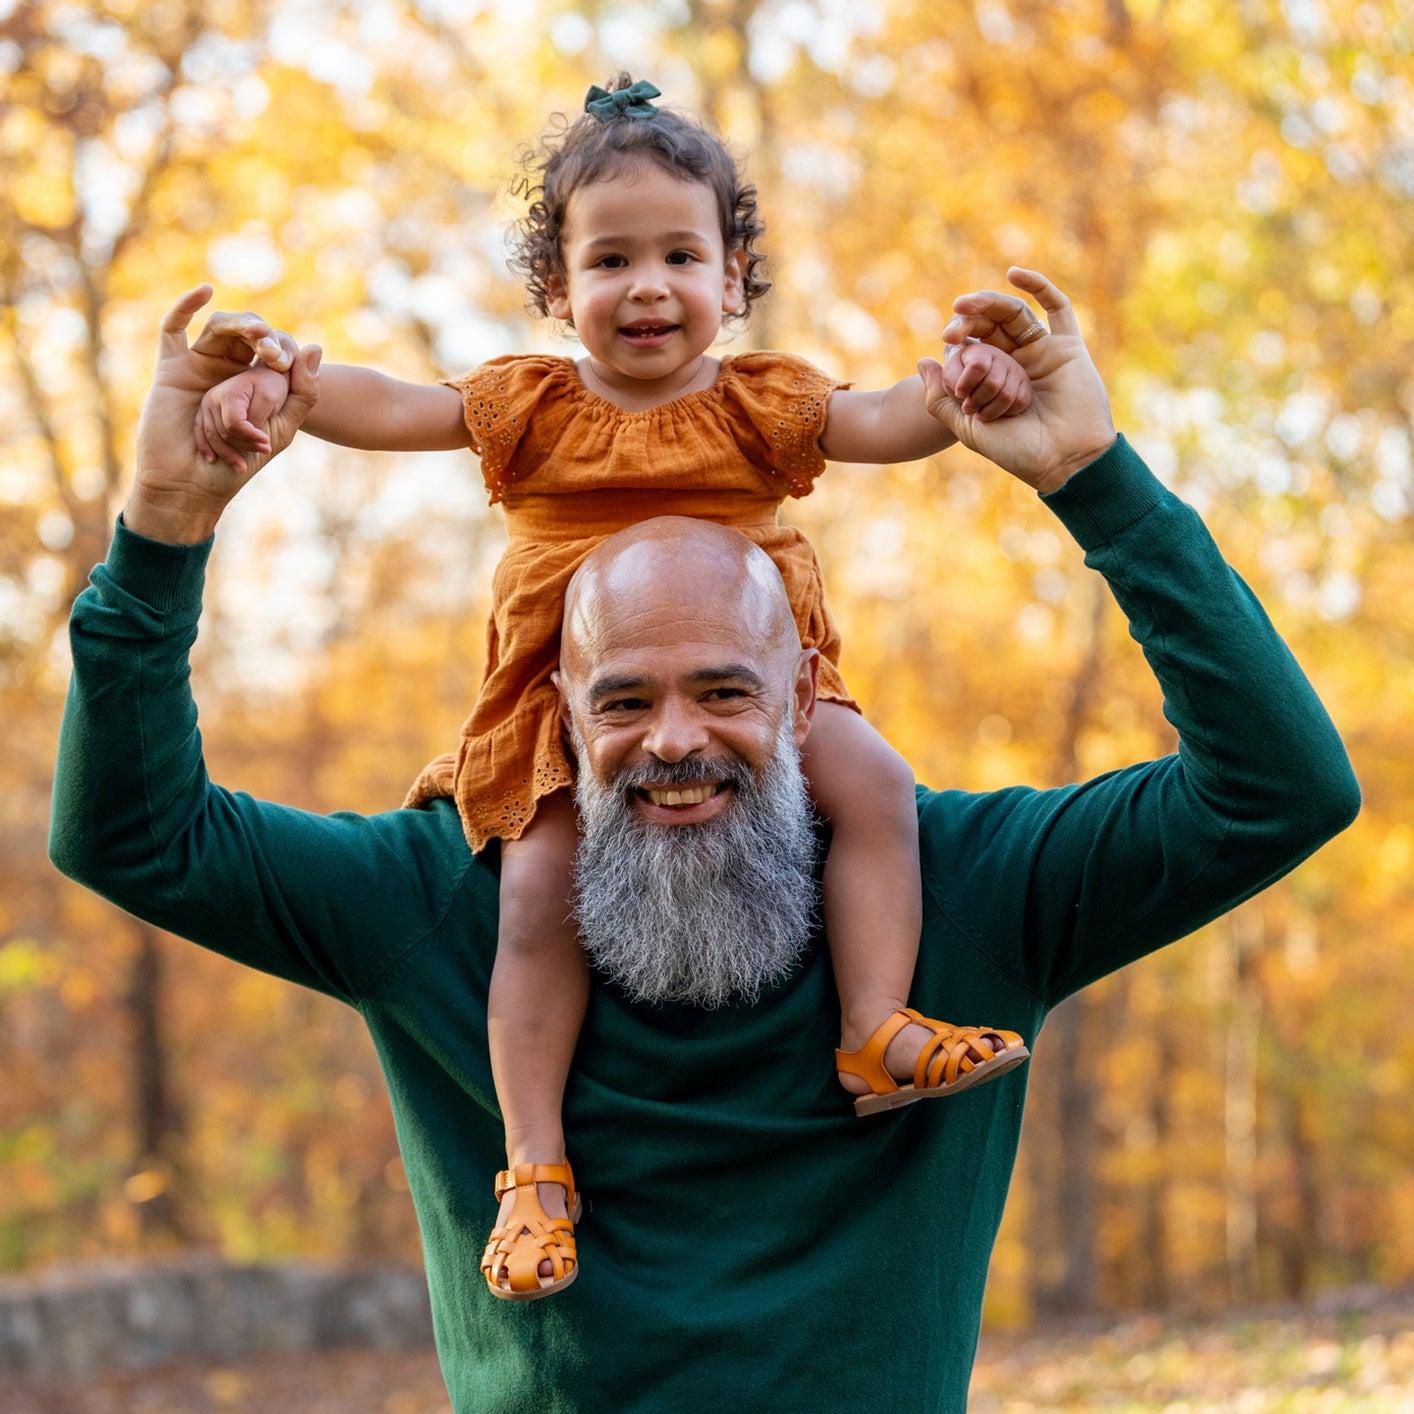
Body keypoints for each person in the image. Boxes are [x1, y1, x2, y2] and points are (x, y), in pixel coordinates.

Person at [51, 265, 1359, 1412]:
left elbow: (1277, 788)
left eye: (723, 690)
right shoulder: (444, 900)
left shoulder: (963, 893)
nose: (672, 738)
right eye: (624, 698)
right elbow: (132, 835)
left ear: (802, 695)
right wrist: (165, 532)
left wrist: (1096, 487)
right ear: (560, 709)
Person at [188, 75, 1036, 1299]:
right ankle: (534, 1168)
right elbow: (398, 405)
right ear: (557, 290)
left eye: (681, 254)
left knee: (881, 790)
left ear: (733, 277)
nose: (648, 285)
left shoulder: (764, 405)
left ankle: (876, 1026)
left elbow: (888, 420)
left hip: (757, 692)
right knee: (536, 891)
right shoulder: (531, 406)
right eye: (610, 259)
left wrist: (967, 391)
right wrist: (295, 388)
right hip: (567, 704)